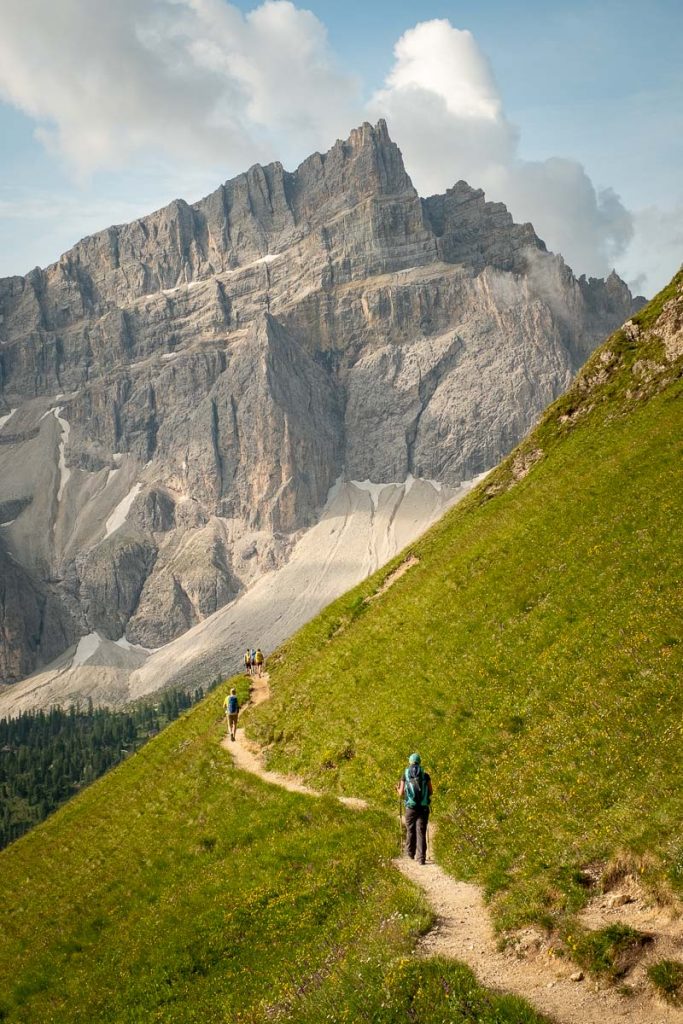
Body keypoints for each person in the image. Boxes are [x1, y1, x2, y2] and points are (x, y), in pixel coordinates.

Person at [397, 752, 432, 864]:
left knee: (410, 830)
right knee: (421, 831)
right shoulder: (425, 775)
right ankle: (421, 858)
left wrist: (397, 789)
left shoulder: (405, 775)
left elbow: (401, 793)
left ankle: (410, 854)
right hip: (423, 807)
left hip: (410, 807)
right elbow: (431, 791)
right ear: (419, 761)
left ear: (410, 762)